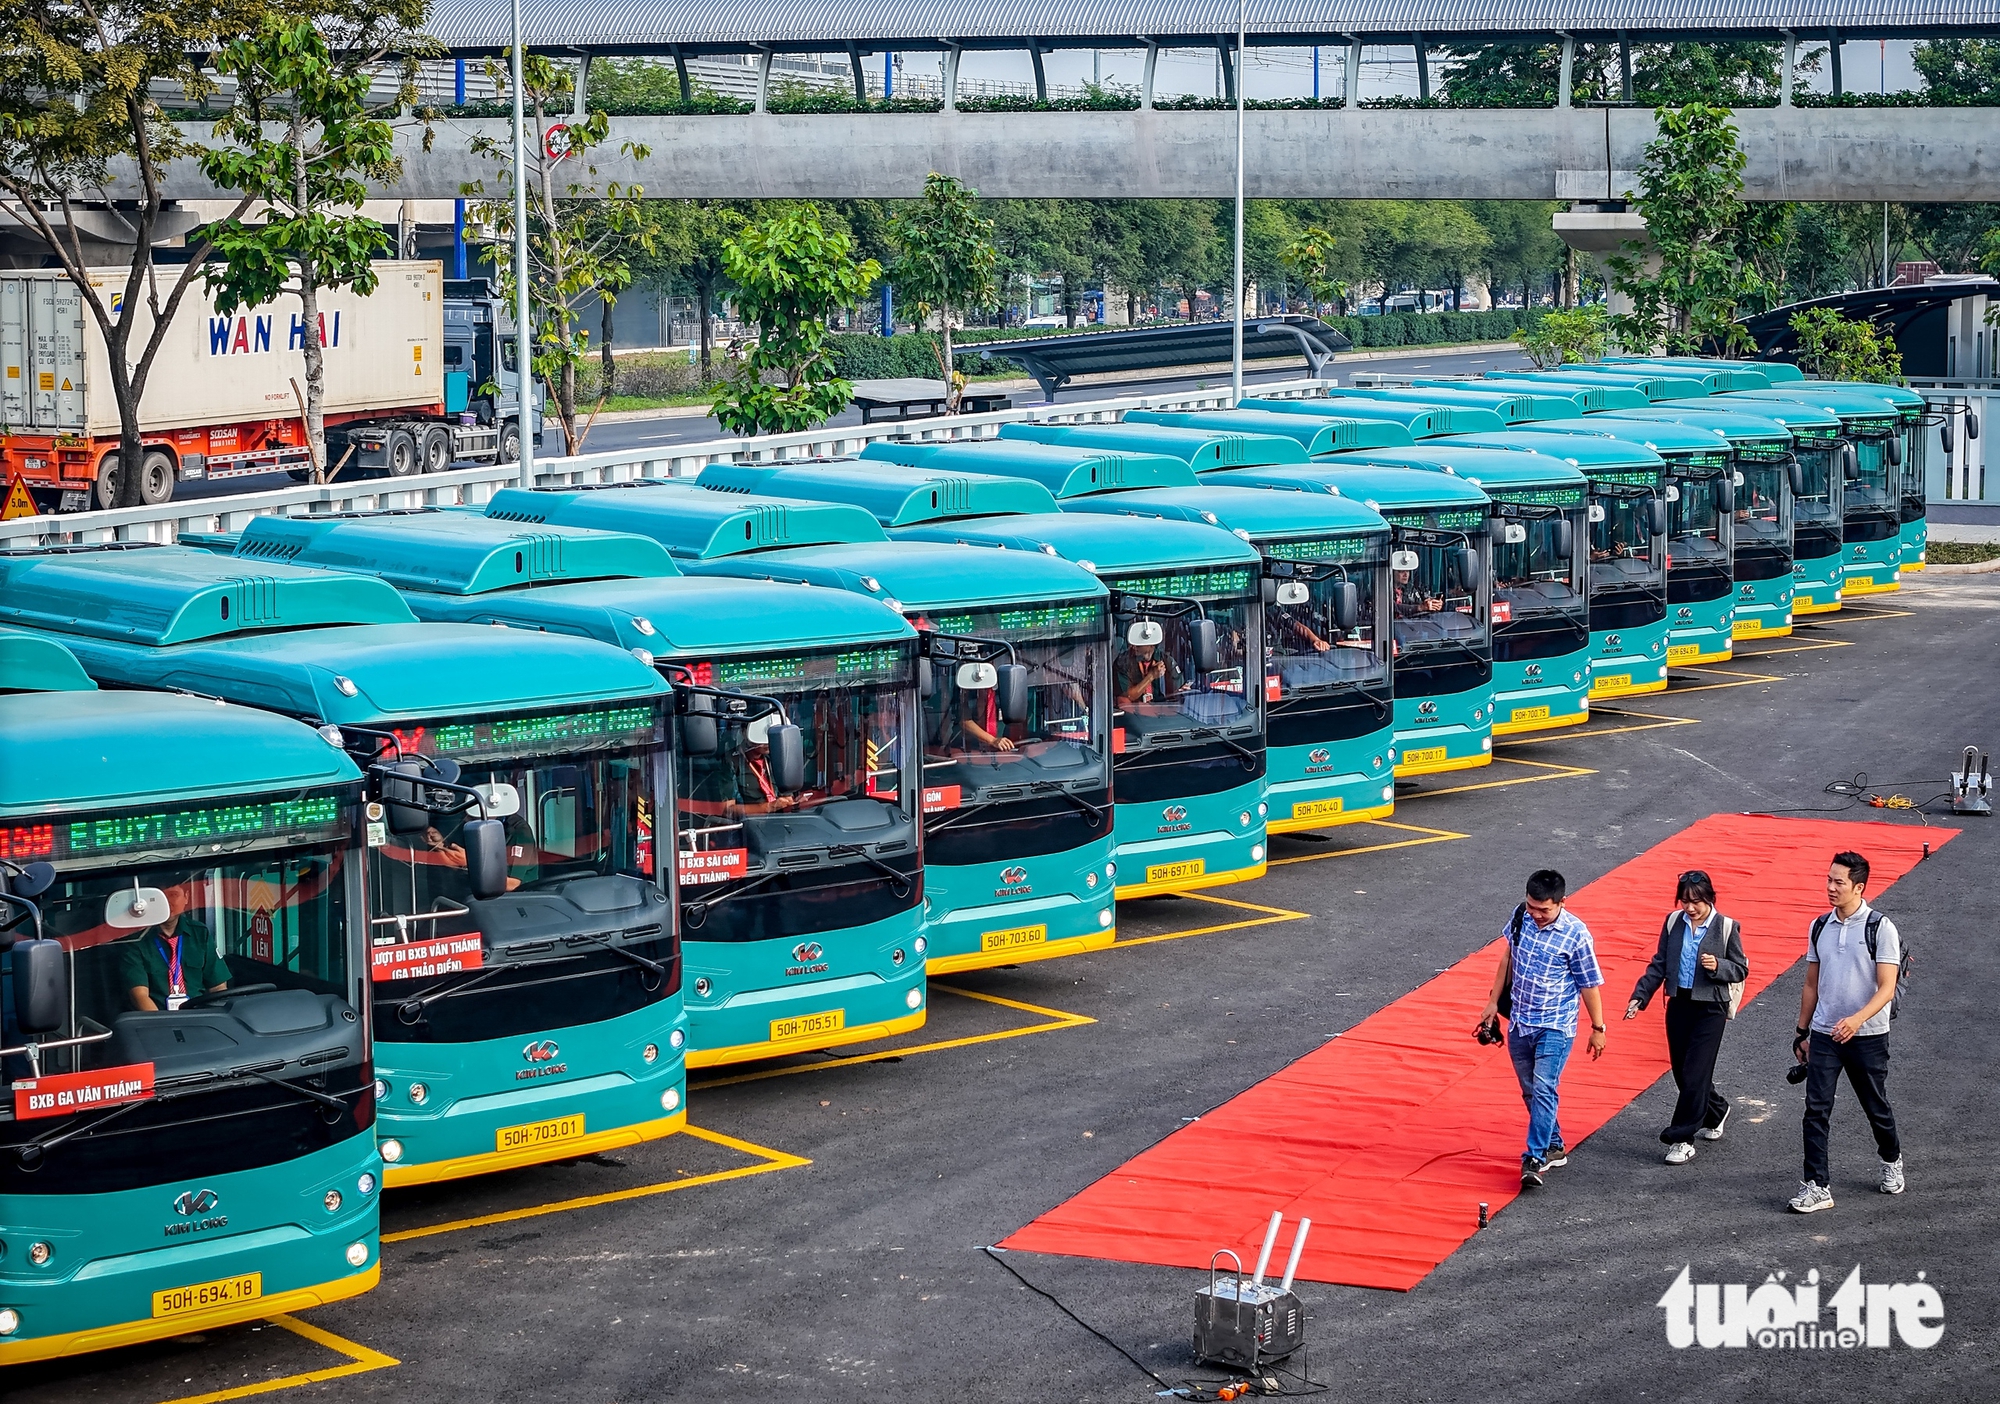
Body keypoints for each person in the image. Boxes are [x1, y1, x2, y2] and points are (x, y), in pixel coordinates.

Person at [1476, 868, 1607, 1189]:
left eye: (1544, 910)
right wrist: (1493, 1003)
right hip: (1519, 1022)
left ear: (1562, 902)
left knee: (1545, 1087)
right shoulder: (1521, 916)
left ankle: (1533, 1157)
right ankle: (1554, 1143)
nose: (1536, 915)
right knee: (1530, 1090)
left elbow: (1589, 985)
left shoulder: (1576, 935)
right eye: (1531, 907)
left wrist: (1598, 1027)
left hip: (1556, 1026)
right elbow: (1508, 956)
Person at [1789, 850, 1904, 1213]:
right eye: (1828, 880)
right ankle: (1817, 1185)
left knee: (1875, 1106)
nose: (1830, 887)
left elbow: (1887, 987)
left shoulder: (1880, 928)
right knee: (1815, 1109)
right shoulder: (1819, 926)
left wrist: (1856, 1020)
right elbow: (1811, 983)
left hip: (1867, 1036)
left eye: (1838, 882)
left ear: (1859, 887)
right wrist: (1802, 1031)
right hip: (1824, 1034)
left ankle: (1891, 1160)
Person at [1626, 870, 1748, 1164]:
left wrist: (1718, 966)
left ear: (1709, 898)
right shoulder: (1672, 923)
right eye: (1685, 901)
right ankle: (1716, 1109)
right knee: (1683, 1072)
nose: (1690, 908)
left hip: (1711, 1009)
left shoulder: (1727, 927)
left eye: (1696, 901)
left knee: (1695, 1072)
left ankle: (1681, 1138)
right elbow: (1659, 963)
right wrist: (1640, 996)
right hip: (1679, 1003)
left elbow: (1740, 969)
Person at [120, 880, 229, 1011]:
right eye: (161, 897)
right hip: (156, 1021)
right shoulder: (136, 940)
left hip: (199, 1018)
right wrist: (165, 1026)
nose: (166, 903)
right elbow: (139, 996)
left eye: (173, 895)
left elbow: (218, 987)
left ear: (186, 898)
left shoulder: (200, 933)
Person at [1113, 637, 1181, 708]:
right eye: (1132, 643)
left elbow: (1177, 691)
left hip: (1161, 711)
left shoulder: (1166, 660)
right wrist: (1151, 676)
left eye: (1139, 644)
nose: (1133, 647)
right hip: (1135, 713)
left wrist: (1182, 690)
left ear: (1151, 645)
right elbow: (1128, 696)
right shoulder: (1124, 662)